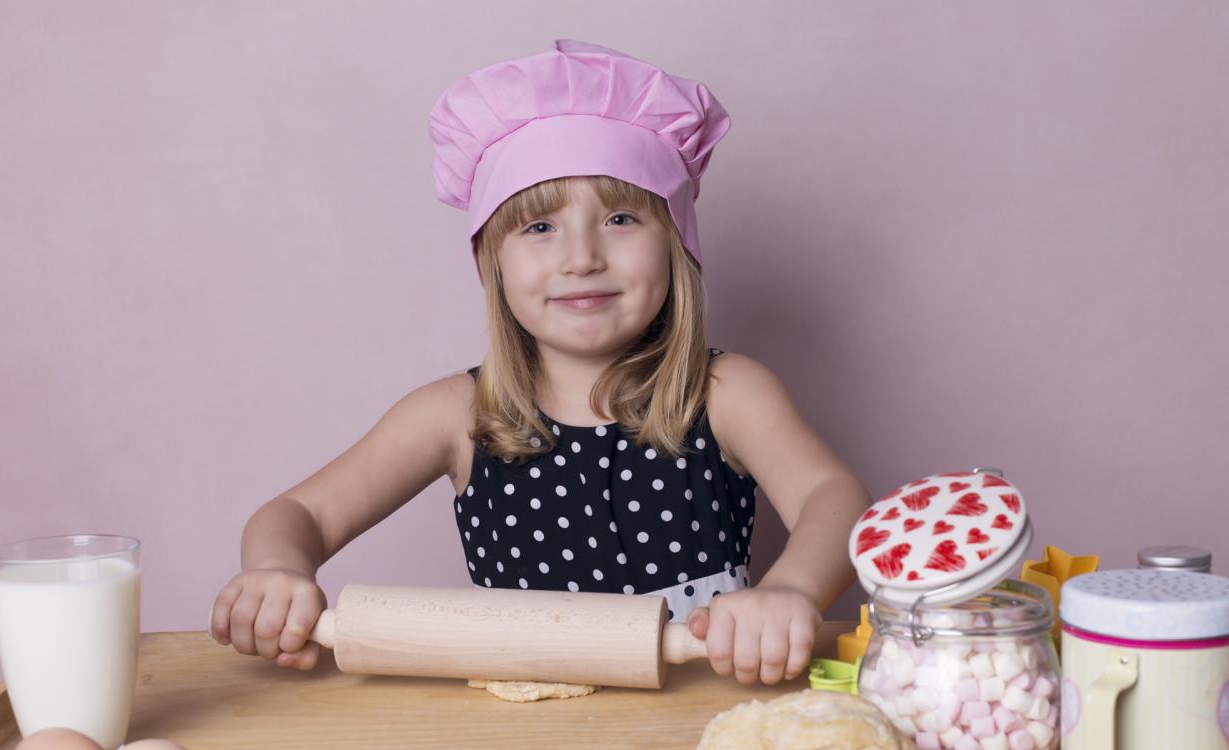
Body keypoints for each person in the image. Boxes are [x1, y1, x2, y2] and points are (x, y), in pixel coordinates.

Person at [209, 40, 870, 686]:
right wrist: (275, 570)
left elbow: (832, 498)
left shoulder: (727, 393)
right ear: (491, 263)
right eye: (538, 227)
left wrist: (790, 589)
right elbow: (300, 514)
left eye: (619, 218)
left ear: (676, 246)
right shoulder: (455, 415)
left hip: (697, 715)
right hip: (523, 738)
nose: (581, 257)